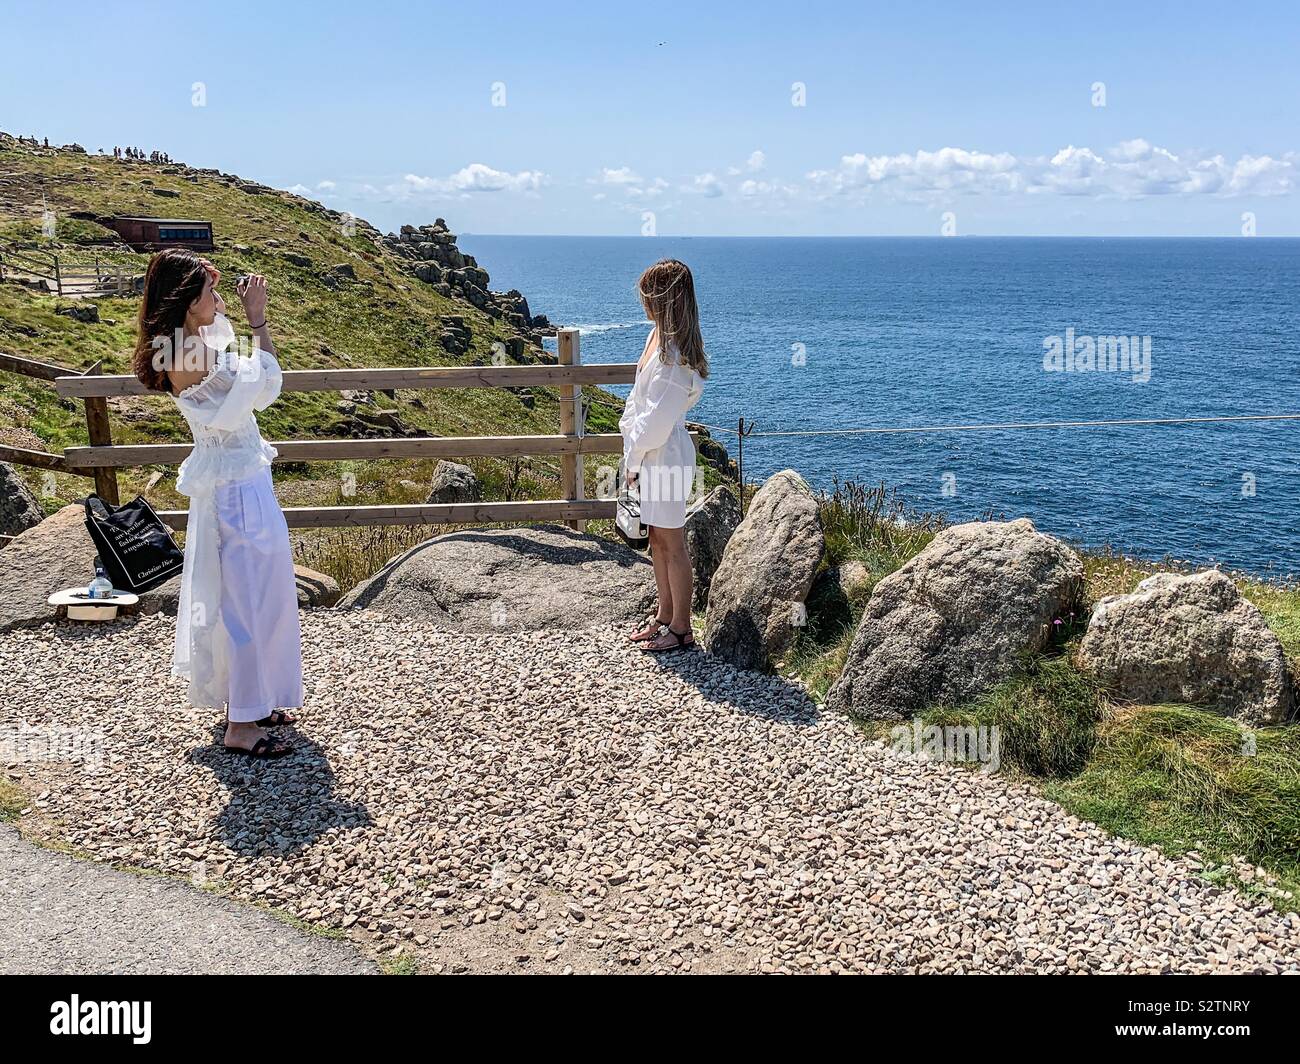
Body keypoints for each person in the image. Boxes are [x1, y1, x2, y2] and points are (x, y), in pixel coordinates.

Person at [131, 250, 301, 757]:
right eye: (209, 290)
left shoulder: (182, 345)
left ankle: (253, 701)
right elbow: (266, 385)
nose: (218, 297)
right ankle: (241, 725)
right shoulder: (187, 354)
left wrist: (218, 307)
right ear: (187, 301)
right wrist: (258, 320)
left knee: (261, 594)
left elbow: (244, 369)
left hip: (239, 480)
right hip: (235, 493)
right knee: (245, 601)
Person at [620, 259, 708, 652]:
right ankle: (664, 616)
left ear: (664, 298)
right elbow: (637, 403)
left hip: (666, 456)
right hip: (649, 453)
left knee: (672, 542)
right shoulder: (656, 338)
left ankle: (681, 627)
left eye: (648, 295)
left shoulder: (676, 358)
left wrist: (633, 459)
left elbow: (657, 420)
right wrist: (632, 450)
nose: (643, 302)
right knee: (656, 537)